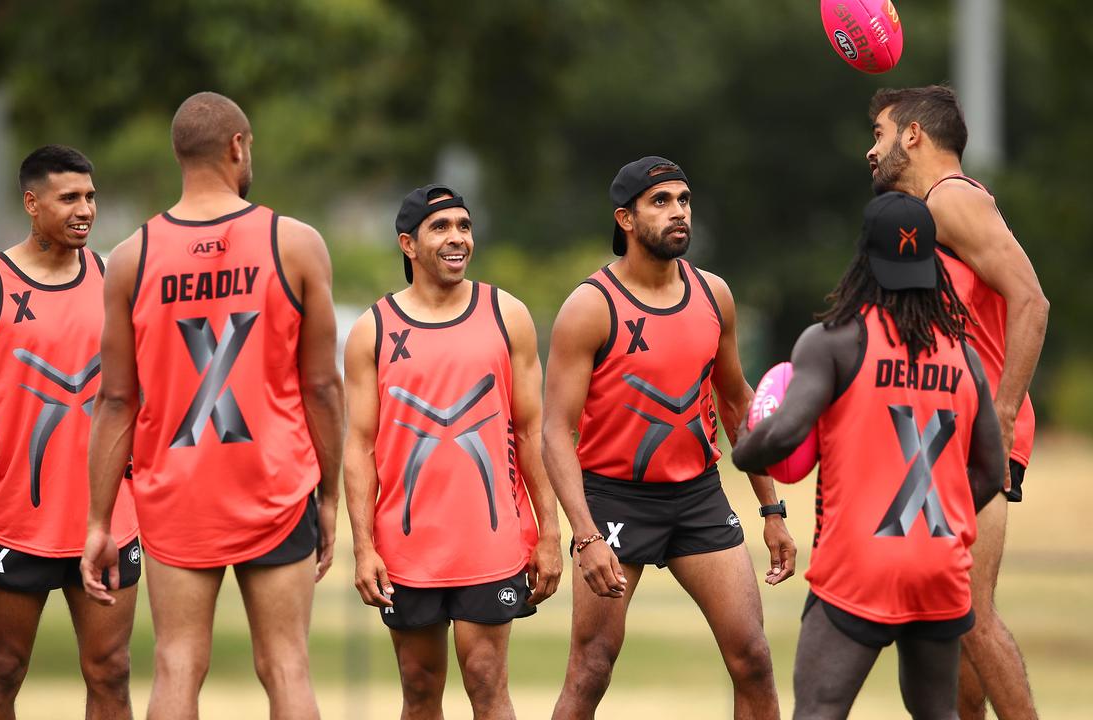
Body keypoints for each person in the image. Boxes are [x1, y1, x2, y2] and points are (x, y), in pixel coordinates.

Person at [81, 92, 343, 720]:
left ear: (179, 155)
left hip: (177, 490)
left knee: (176, 662)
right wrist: (329, 495)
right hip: (274, 486)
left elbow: (116, 399)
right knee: (286, 665)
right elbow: (322, 388)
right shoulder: (296, 243)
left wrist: (98, 520)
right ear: (238, 146)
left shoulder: (130, 257)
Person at [733, 192, 1006, 719]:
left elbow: (784, 436)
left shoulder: (836, 341)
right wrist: (938, 517)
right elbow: (991, 471)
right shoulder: (964, 354)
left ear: (864, 260)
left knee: (819, 711)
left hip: (860, 564)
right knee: (937, 714)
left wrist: (746, 446)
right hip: (938, 563)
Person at [545, 157, 794, 720]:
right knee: (592, 669)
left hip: (699, 498)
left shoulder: (714, 296)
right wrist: (585, 536)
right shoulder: (590, 307)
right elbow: (555, 432)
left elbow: (736, 404)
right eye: (660, 202)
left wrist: (772, 508)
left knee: (753, 657)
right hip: (614, 499)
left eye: (683, 199)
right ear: (625, 219)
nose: (678, 211)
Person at [0, 145, 140, 719]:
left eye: (91, 196)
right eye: (69, 197)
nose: (86, 210)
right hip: (17, 522)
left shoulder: (117, 281)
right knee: (1, 673)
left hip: (110, 521)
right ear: (31, 202)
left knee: (111, 672)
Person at [344, 185, 562, 719]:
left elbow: (534, 433)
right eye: (440, 228)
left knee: (487, 682)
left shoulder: (505, 313)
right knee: (419, 690)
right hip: (406, 546)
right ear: (408, 245)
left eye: (464, 226)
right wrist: (364, 547)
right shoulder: (373, 329)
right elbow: (359, 447)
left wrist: (551, 534)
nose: (457, 238)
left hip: (491, 540)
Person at [866, 84, 1045, 720]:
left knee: (970, 612)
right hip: (941, 433)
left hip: (979, 433)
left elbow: (1032, 301)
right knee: (943, 619)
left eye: (882, 133)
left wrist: (997, 417)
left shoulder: (952, 199)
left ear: (914, 135)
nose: (872, 150)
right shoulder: (925, 213)